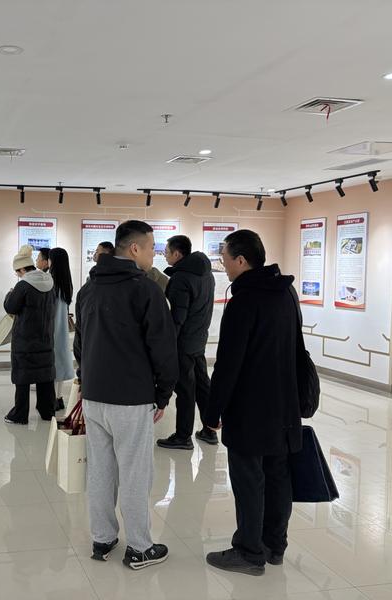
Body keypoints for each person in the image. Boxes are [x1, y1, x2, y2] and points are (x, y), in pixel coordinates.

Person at [74, 220, 178, 570]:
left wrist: (85, 380)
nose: (154, 255)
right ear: (135, 248)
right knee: (135, 472)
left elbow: (79, 345)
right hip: (131, 398)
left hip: (94, 396)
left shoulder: (88, 289)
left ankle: (102, 537)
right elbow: (163, 347)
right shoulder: (145, 290)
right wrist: (163, 393)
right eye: (151, 248)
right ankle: (139, 547)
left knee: (100, 470)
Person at [203, 230, 302, 576]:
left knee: (248, 480)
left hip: (249, 408)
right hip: (284, 405)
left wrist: (213, 411)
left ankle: (248, 551)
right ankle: (274, 546)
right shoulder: (285, 292)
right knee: (277, 476)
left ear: (241, 260)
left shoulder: (243, 301)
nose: (224, 266)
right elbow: (297, 347)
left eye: (225, 259)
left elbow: (229, 364)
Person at [157, 235, 217, 449]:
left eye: (166, 252)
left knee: (185, 390)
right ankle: (210, 429)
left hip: (183, 343)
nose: (164, 255)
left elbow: (177, 318)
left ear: (177, 253)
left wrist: (167, 346)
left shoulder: (181, 279)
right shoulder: (207, 274)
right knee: (202, 386)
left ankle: (183, 436)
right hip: (199, 340)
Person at [3, 245, 57, 424]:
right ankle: (47, 410)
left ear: (22, 269)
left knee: (23, 377)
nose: (18, 275)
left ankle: (20, 414)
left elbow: (11, 307)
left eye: (17, 272)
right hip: (46, 338)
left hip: (25, 340)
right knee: (45, 377)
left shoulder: (23, 285)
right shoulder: (49, 282)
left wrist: (9, 294)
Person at [49, 247, 75, 411]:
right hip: (62, 329)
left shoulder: (50, 282)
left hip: (51, 327)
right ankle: (58, 398)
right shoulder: (66, 284)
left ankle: (52, 398)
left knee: (52, 363)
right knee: (60, 361)